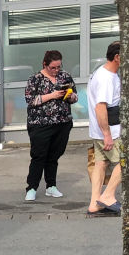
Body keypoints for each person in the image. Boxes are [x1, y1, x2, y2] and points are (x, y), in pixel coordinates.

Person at [23, 50, 78, 202]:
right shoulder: (35, 79)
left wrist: (70, 96)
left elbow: (75, 96)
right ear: (44, 64)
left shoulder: (65, 76)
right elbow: (30, 100)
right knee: (39, 156)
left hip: (62, 122)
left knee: (54, 156)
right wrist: (52, 95)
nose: (56, 70)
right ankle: (32, 188)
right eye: (53, 67)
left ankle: (51, 186)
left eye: (58, 67)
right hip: (40, 124)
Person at [86, 42, 122, 217]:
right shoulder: (107, 77)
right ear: (117, 57)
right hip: (109, 131)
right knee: (126, 162)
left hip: (99, 130)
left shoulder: (100, 72)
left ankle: (94, 203)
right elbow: (101, 107)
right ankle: (108, 195)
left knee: (101, 164)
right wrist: (107, 134)